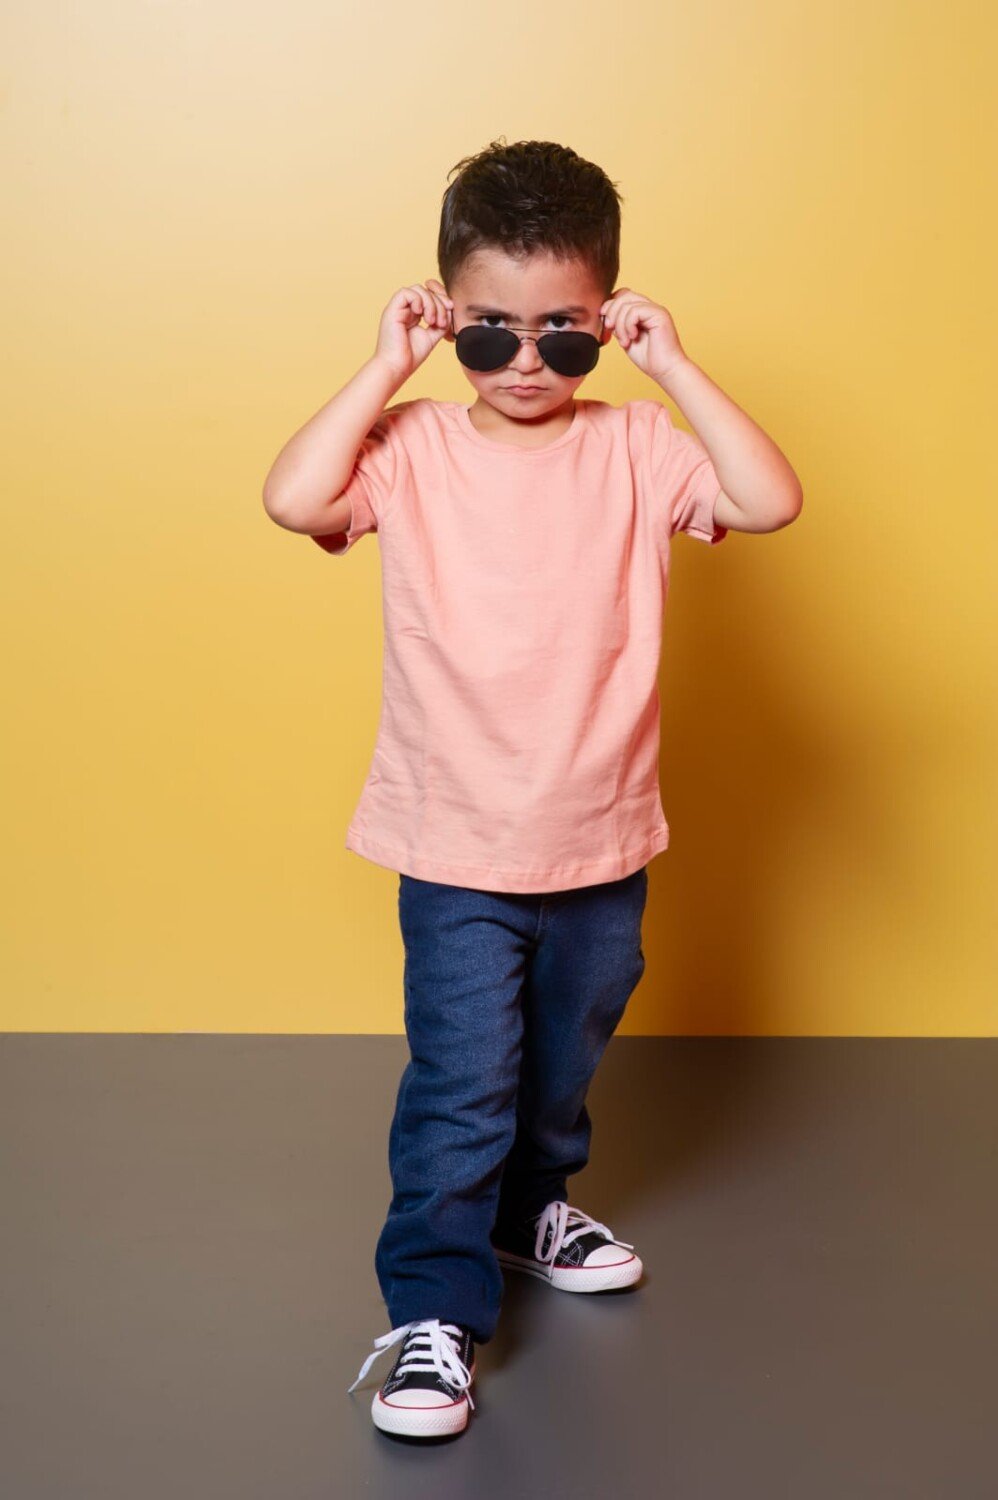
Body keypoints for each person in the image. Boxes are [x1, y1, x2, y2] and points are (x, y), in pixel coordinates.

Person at [262, 138, 803, 1441]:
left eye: (563, 334)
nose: (523, 363)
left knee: (562, 1062)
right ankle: (433, 1312)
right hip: (454, 840)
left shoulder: (639, 446)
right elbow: (292, 498)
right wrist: (385, 364)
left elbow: (768, 499)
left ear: (607, 318)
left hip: (601, 836)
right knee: (463, 1084)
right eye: (487, 332)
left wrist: (672, 365)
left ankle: (528, 1211)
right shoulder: (409, 448)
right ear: (445, 315)